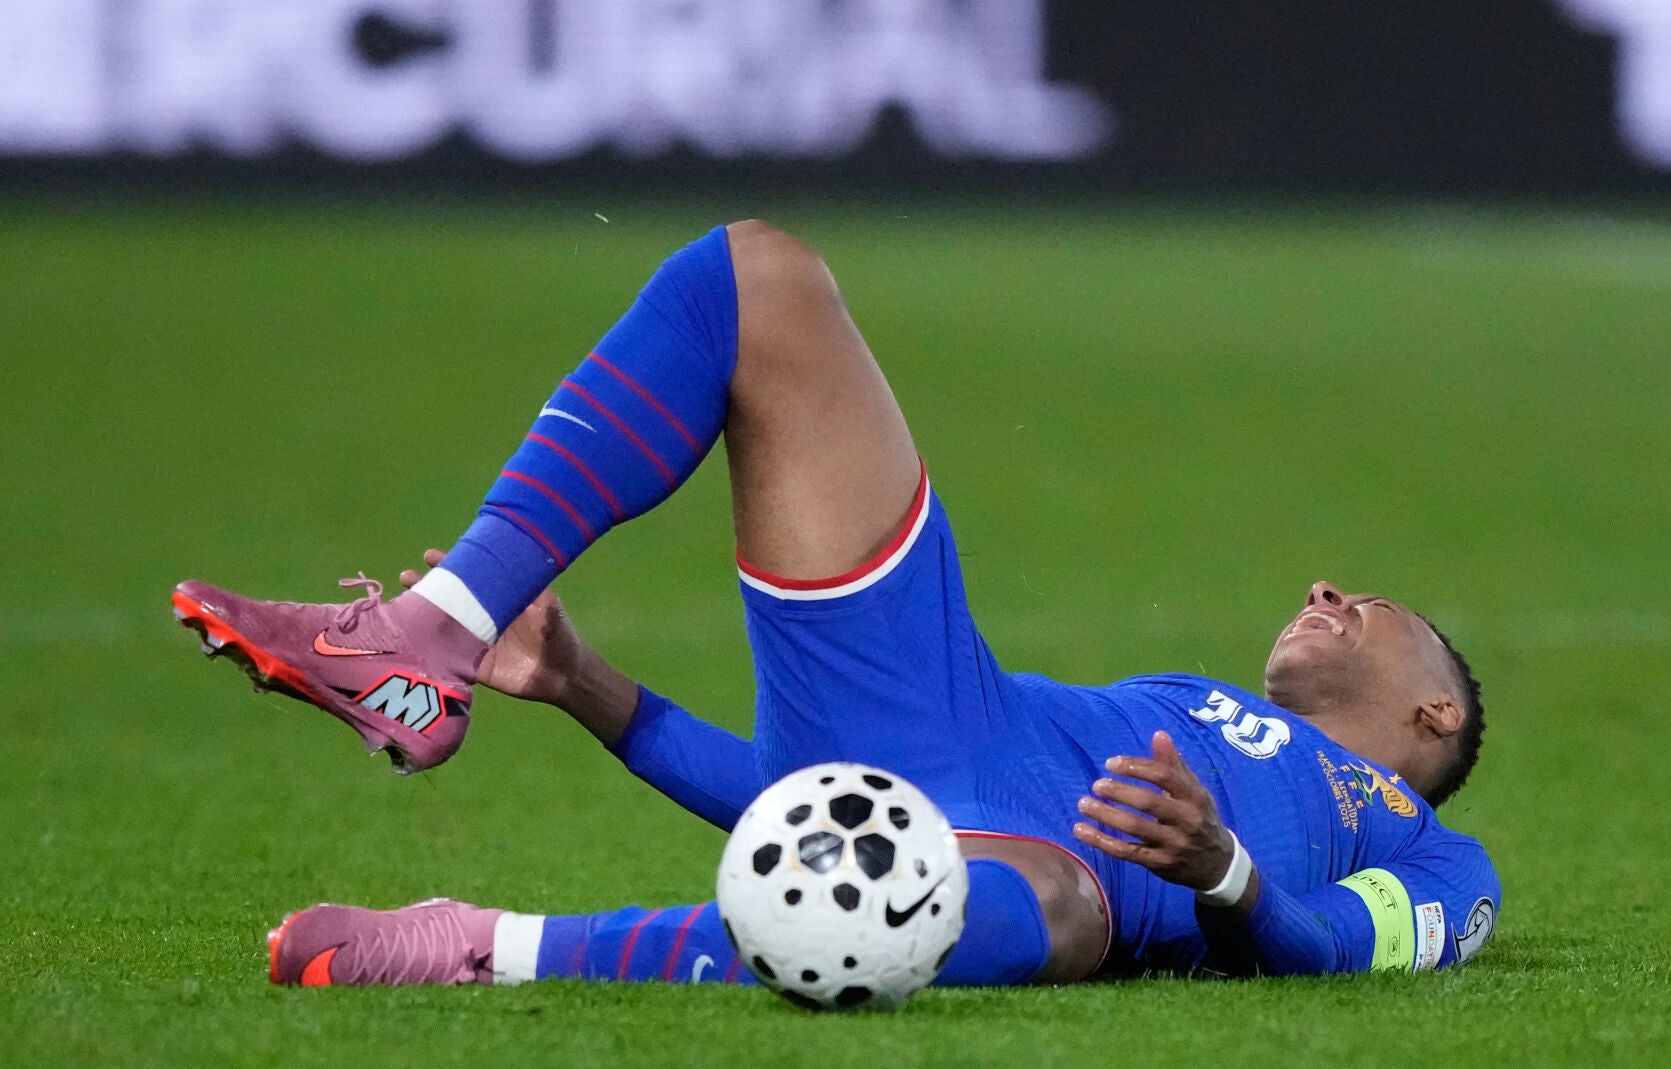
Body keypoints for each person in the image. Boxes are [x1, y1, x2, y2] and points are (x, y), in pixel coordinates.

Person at [172, 221, 1500, 990]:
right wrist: (586, 683)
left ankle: (478, 946)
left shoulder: (1434, 852)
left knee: (1031, 897)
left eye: (1370, 604)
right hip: (940, 715)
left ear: (1433, 707)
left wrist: (1224, 873)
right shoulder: (1185, 701)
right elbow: (833, 800)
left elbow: (1326, 945)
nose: (1329, 589)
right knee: (758, 282)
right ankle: (432, 632)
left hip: (1054, 887)